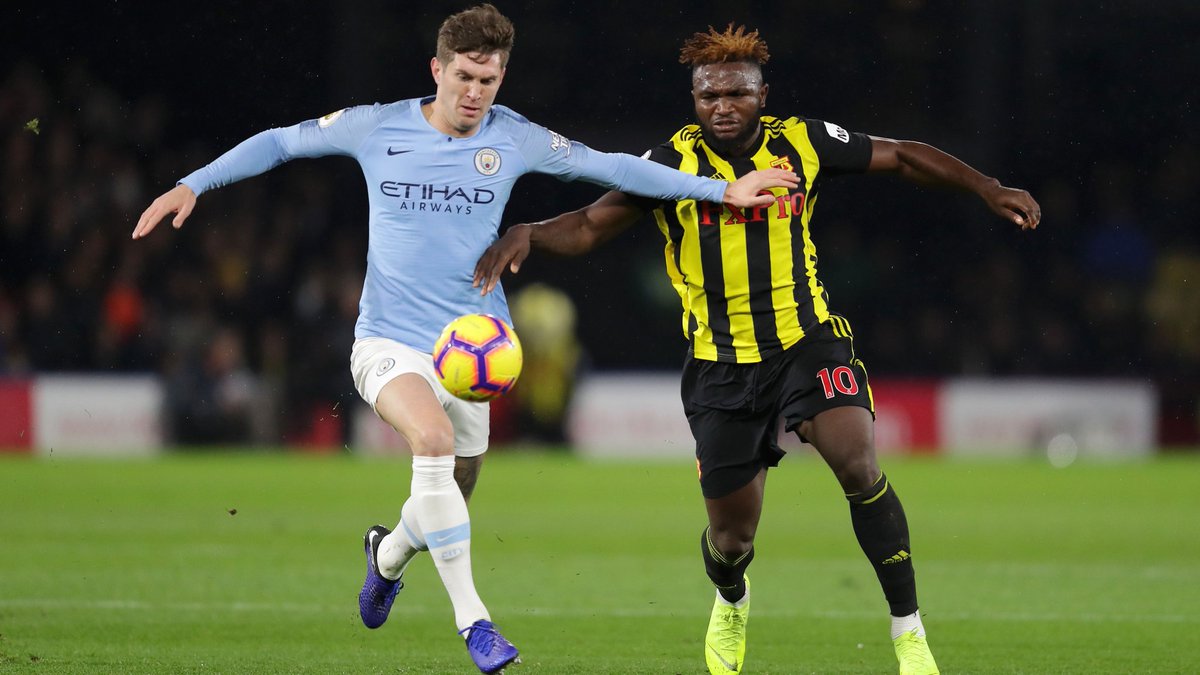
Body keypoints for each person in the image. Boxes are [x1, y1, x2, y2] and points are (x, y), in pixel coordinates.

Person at [131, 7, 795, 674]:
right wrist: (193, 184)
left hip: (475, 346)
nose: (476, 92)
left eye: (489, 79)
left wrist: (722, 191)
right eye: (465, 77)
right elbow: (280, 142)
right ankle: (475, 622)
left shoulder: (515, 137)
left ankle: (388, 554)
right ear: (437, 70)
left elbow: (612, 167)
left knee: (449, 490)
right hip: (389, 341)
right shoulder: (377, 126)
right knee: (432, 442)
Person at [474, 24, 1040, 675]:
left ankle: (908, 632)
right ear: (694, 98)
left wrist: (986, 186)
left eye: (736, 94)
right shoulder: (668, 165)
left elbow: (904, 156)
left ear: (761, 95)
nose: (722, 106)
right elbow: (588, 225)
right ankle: (732, 596)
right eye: (708, 95)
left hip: (808, 343)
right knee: (732, 539)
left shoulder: (802, 142)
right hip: (721, 368)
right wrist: (529, 231)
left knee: (858, 465)